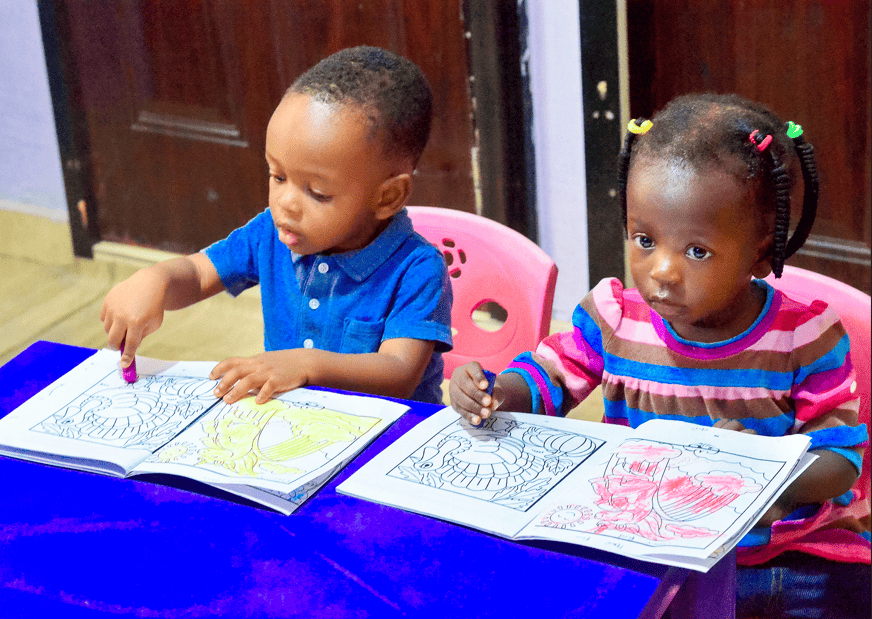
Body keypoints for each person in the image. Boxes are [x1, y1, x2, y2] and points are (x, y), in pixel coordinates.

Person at [450, 93, 869, 618]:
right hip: (648, 549)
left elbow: (841, 464)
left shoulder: (806, 337)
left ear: (761, 253)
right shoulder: (612, 317)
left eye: (697, 251)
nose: (662, 270)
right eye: (645, 239)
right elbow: (546, 380)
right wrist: (495, 391)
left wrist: (758, 470)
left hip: (775, 557)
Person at [101, 46, 452, 405]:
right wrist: (155, 281)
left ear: (388, 197)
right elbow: (195, 272)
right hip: (294, 425)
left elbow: (399, 374)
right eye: (277, 175)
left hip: (392, 438)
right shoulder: (271, 234)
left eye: (316, 192)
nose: (285, 203)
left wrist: (307, 365)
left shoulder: (418, 269)